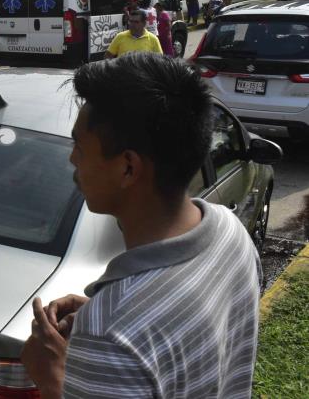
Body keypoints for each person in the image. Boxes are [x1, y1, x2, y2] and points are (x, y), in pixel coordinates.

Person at [21, 52, 261, 398]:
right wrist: (103, 315)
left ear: (128, 169)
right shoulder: (229, 231)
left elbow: (136, 333)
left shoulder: (112, 335)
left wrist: (53, 381)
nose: (72, 158)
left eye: (80, 146)